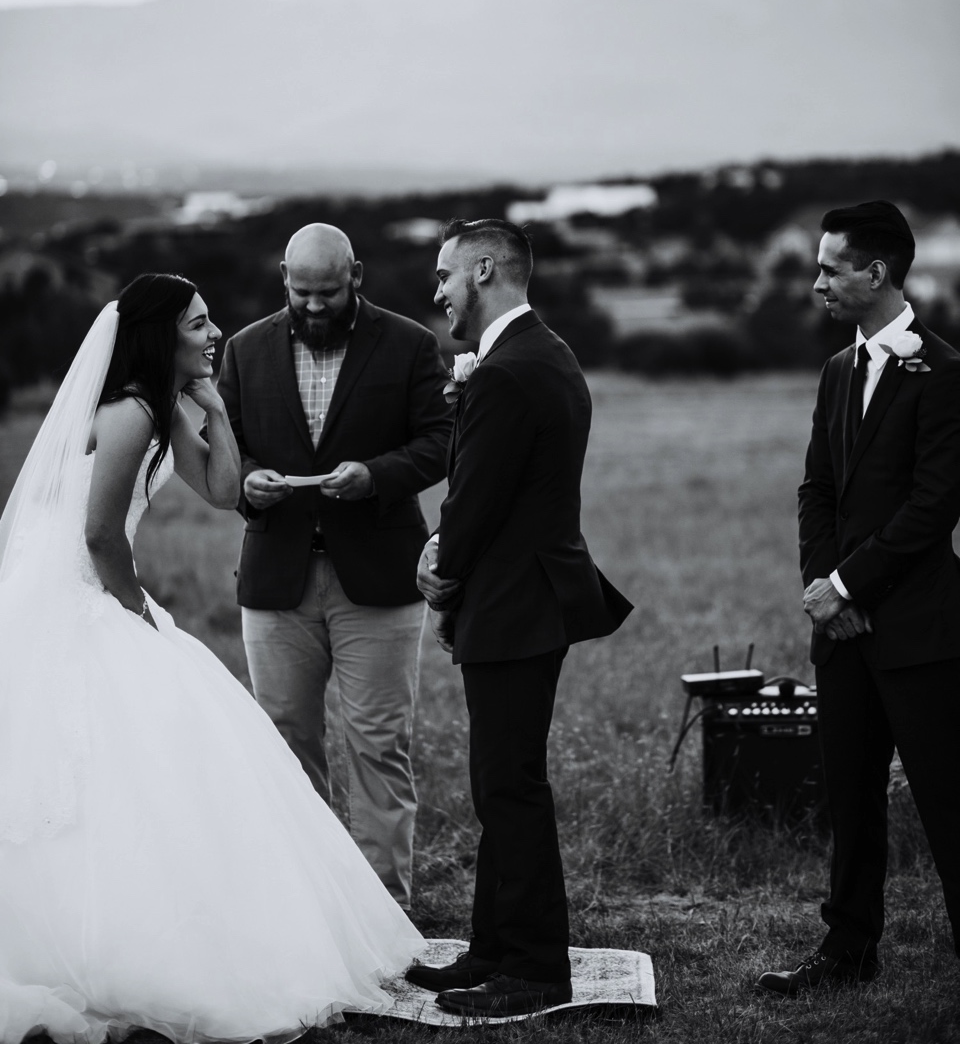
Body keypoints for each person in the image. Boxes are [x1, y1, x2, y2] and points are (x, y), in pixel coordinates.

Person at [0, 274, 422, 1044]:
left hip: (104, 584)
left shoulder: (163, 408)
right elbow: (98, 535)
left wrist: (217, 410)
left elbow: (227, 492)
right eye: (198, 325)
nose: (215, 332)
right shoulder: (127, 411)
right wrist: (134, 614)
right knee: (102, 763)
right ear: (164, 336)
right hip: (80, 593)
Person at [406, 218, 633, 1018]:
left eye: (445, 275)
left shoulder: (507, 371)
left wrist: (439, 564)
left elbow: (477, 497)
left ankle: (535, 967)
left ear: (486, 269)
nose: (437, 292)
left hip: (515, 600)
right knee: (496, 781)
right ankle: (493, 946)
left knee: (510, 786)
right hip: (526, 596)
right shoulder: (542, 352)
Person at [757, 201, 960, 997]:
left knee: (948, 801)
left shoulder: (944, 373)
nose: (817, 285)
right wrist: (824, 591)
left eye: (830, 269)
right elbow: (817, 490)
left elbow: (932, 509)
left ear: (876, 272)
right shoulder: (836, 371)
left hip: (921, 630)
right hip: (841, 632)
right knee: (850, 797)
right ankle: (847, 950)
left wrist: (849, 584)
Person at [216, 223, 451, 909]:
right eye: (301, 291)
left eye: (328, 291)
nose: (314, 306)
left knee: (379, 745)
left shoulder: (408, 344)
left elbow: (441, 442)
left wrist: (374, 476)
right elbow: (224, 452)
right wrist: (248, 481)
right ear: (284, 276)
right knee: (286, 745)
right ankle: (305, 910)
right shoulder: (245, 349)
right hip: (276, 581)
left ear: (357, 276)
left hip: (378, 581)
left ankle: (381, 911)